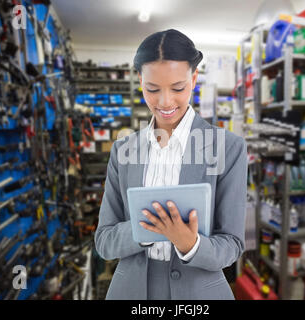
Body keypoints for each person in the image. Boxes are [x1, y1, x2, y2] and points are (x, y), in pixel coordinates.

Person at [94, 29, 248, 300]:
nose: (165, 102)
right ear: (141, 81)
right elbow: (104, 242)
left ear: (194, 78)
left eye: (178, 88)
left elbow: (232, 244)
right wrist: (145, 228)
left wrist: (190, 244)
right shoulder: (123, 151)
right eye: (152, 89)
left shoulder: (228, 148)